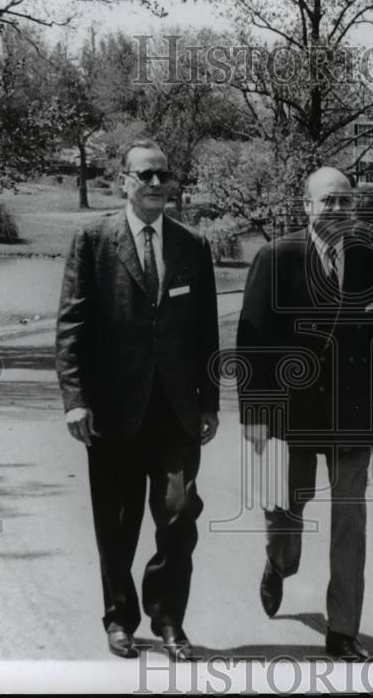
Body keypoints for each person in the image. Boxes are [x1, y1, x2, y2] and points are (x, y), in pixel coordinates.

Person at [55, 139, 220, 661]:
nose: (154, 184)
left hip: (175, 411)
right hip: (112, 410)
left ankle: (169, 618)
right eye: (144, 175)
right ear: (124, 180)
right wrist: (75, 399)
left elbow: (206, 334)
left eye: (162, 176)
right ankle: (119, 618)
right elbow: (72, 326)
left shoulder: (192, 246)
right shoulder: (94, 240)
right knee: (117, 522)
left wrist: (210, 402)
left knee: (178, 512)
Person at [236, 166, 373, 662]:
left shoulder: (368, 260)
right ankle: (277, 564)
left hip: (352, 416)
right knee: (289, 509)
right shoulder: (277, 257)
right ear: (306, 206)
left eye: (344, 202)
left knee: (350, 519)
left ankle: (343, 631)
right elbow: (253, 341)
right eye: (326, 201)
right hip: (295, 417)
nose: (336, 210)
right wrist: (255, 412)